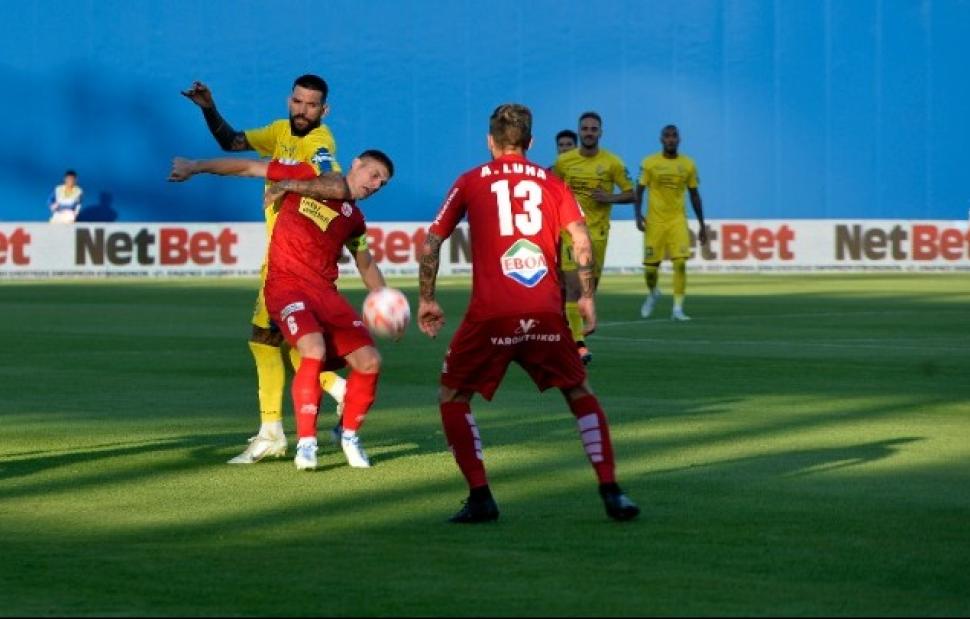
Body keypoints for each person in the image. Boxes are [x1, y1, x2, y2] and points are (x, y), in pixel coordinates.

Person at [418, 103, 640, 524]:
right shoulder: (552, 182)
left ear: (490, 141)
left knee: (453, 396)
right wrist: (586, 296)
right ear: (531, 142)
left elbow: (432, 241)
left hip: (492, 314)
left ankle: (481, 496)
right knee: (579, 391)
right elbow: (580, 239)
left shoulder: (469, 181)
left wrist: (427, 298)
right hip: (545, 311)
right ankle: (612, 489)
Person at [169, 149, 395, 470]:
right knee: (312, 348)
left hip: (325, 294)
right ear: (356, 164)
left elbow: (366, 263)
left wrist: (386, 300)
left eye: (382, 184)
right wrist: (195, 165)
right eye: (373, 175)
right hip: (286, 286)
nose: (375, 185)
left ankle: (348, 436)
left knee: (370, 360)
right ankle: (306, 443)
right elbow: (248, 167)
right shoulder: (303, 174)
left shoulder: (354, 219)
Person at [182, 75, 348, 464]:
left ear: (324, 110)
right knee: (282, 341)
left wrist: (287, 184)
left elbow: (334, 181)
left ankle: (273, 432)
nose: (303, 110)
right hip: (284, 258)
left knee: (264, 340)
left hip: (290, 264)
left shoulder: (320, 142)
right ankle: (337, 391)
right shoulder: (279, 132)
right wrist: (209, 109)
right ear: (290, 100)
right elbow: (233, 143)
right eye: (298, 102)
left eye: (311, 105)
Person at [551, 112, 635, 365]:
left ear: (600, 132)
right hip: (569, 233)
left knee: (588, 292)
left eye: (593, 129)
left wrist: (609, 198)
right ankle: (578, 346)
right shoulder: (564, 162)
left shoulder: (612, 163)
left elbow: (632, 194)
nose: (589, 132)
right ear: (580, 132)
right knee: (573, 287)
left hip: (597, 234)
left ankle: (572, 333)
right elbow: (552, 193)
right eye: (585, 128)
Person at [634, 124, 707, 321]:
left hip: (677, 221)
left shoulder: (688, 164)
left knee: (680, 264)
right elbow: (638, 191)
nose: (671, 139)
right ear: (661, 139)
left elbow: (694, 195)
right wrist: (638, 216)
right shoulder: (649, 162)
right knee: (650, 270)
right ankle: (653, 292)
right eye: (667, 136)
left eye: (674, 136)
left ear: (679, 139)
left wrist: (702, 225)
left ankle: (677, 309)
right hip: (655, 222)